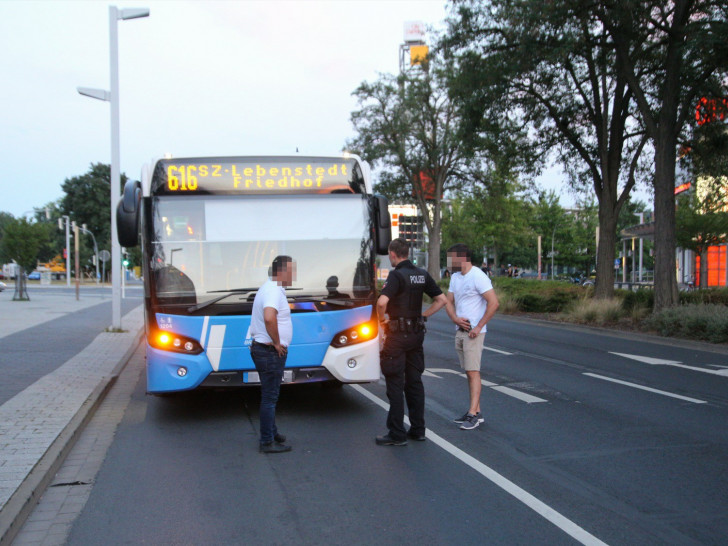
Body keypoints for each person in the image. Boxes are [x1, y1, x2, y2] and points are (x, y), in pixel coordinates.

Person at [375, 238, 453, 446]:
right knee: (414, 383)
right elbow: (442, 300)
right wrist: (423, 316)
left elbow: (382, 302)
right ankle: (418, 430)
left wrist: (382, 321)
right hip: (416, 335)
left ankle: (397, 433)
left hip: (397, 337)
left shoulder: (396, 275)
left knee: (395, 383)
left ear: (392, 254)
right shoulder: (421, 274)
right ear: (407, 253)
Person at [446, 243, 499, 431]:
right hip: (460, 331)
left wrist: (478, 326)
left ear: (462, 257)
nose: (450, 261)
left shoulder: (478, 276)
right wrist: (455, 318)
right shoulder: (455, 277)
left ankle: (473, 414)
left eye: (452, 257)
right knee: (468, 371)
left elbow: (494, 303)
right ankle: (476, 411)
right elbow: (448, 301)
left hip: (473, 333)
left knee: (473, 371)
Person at [249, 255, 296, 453]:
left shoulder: (270, 288)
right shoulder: (273, 290)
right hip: (268, 351)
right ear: (281, 271)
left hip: (264, 350)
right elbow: (269, 318)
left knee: (270, 395)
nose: (293, 274)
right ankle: (267, 442)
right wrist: (277, 343)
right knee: (270, 398)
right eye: (291, 270)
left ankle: (272, 432)